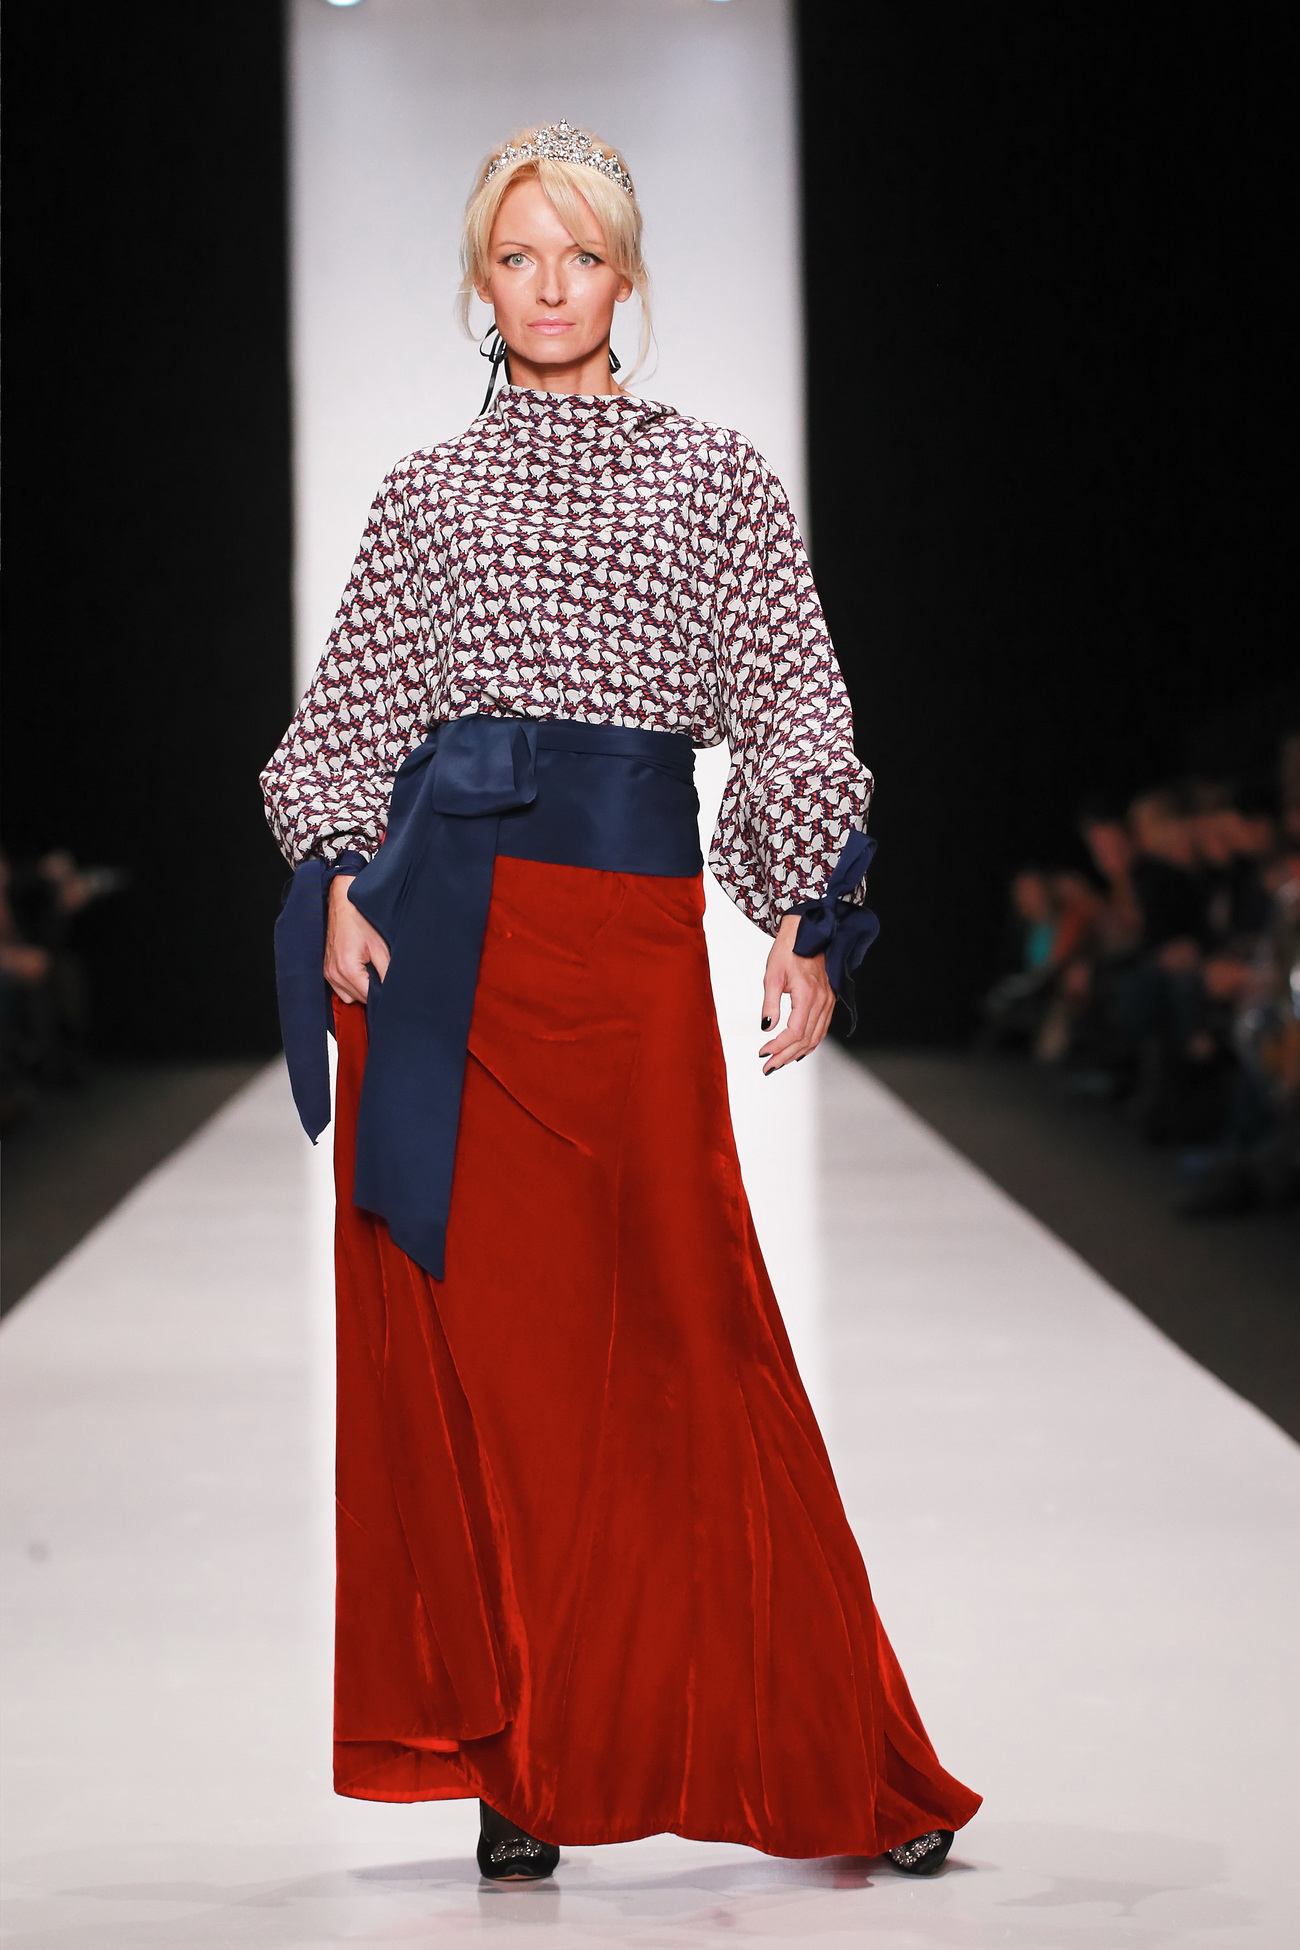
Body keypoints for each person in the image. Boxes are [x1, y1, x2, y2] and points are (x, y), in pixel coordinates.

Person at [259, 117, 982, 1884]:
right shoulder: (425, 496)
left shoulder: (715, 479)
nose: (550, 286)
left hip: (627, 955)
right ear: (480, 281)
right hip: (451, 964)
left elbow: (795, 707)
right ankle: (524, 1760)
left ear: (627, 275)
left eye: (580, 255)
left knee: (693, 1336)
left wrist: (806, 914)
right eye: (519, 257)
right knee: (496, 1374)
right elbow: (338, 727)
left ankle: (846, 1750)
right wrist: (337, 877)